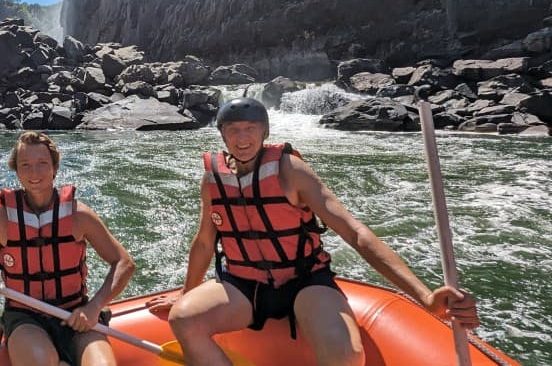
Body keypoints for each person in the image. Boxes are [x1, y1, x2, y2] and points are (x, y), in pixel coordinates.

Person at [147, 97, 480, 366]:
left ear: (264, 132)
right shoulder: (213, 179)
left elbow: (355, 233)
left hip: (304, 281)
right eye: (233, 129)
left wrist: (423, 295)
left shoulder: (290, 170)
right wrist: (186, 294)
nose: (242, 137)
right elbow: (205, 243)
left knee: (345, 355)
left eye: (251, 128)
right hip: (242, 285)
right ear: (222, 134)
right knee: (184, 318)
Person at [0, 131, 135, 366]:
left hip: (76, 317)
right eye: (25, 165)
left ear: (55, 168)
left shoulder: (79, 215)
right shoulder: (1, 222)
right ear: (16, 170)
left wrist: (94, 307)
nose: (34, 173)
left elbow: (124, 263)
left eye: (42, 164)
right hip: (26, 320)